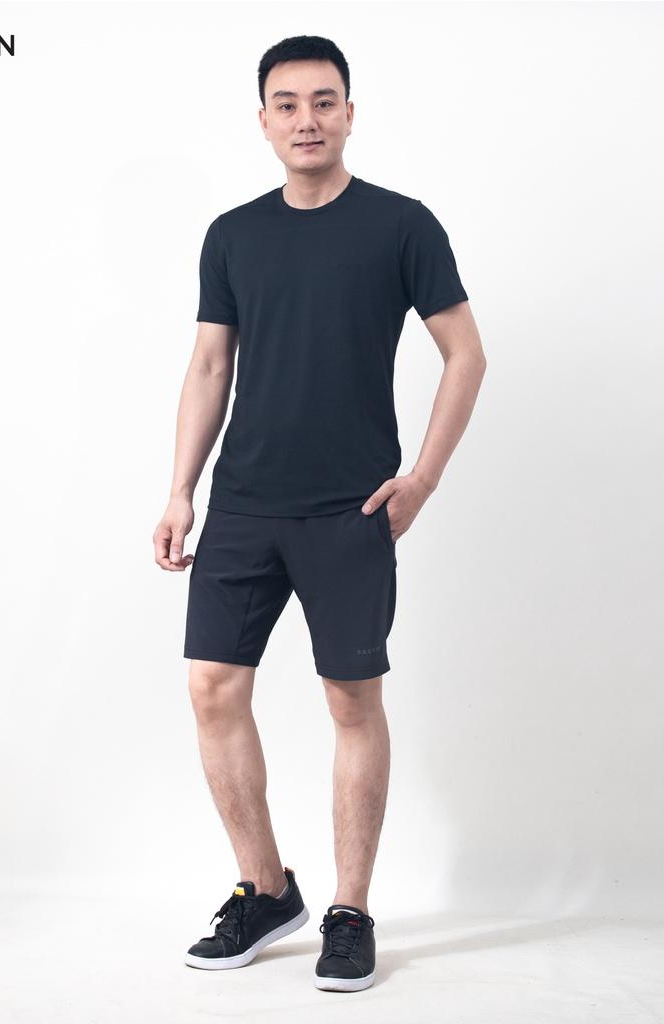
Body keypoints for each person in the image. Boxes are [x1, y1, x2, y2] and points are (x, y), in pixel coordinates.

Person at [153, 34, 486, 992]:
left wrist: (422, 478)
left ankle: (350, 910)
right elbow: (210, 364)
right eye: (288, 104)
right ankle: (265, 891)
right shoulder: (233, 234)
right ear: (263, 121)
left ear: (349, 113)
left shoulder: (401, 226)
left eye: (324, 101)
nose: (307, 119)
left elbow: (466, 353)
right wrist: (180, 489)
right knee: (213, 688)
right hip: (243, 504)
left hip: (350, 509)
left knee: (351, 701)